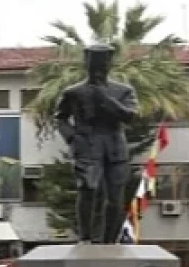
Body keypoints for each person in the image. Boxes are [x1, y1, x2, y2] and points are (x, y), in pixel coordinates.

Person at [54, 44, 140, 243]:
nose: (99, 71)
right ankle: (85, 237)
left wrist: (106, 100)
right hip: (87, 146)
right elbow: (60, 117)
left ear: (110, 66)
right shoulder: (73, 92)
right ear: (87, 65)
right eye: (94, 66)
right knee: (88, 190)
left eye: (103, 66)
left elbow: (130, 116)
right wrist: (72, 138)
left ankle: (110, 240)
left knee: (115, 198)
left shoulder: (123, 90)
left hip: (115, 148)